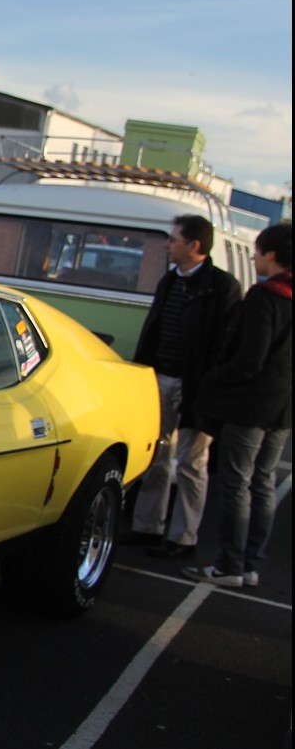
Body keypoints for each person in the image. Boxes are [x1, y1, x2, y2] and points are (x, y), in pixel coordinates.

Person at [125, 214, 243, 555]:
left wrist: (209, 387)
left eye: (173, 239)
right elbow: (155, 328)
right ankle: (147, 527)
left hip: (195, 385)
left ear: (194, 245)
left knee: (192, 462)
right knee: (157, 454)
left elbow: (224, 343)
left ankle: (183, 537)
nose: (167, 245)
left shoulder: (221, 287)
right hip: (160, 377)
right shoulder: (170, 281)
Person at [184, 222, 292, 587]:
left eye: (258, 252)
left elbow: (249, 359)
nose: (255, 259)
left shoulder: (265, 297)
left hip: (251, 406)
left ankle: (229, 564)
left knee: (236, 483)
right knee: (264, 482)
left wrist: (213, 377)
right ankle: (250, 564)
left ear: (271, 255)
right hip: (283, 408)